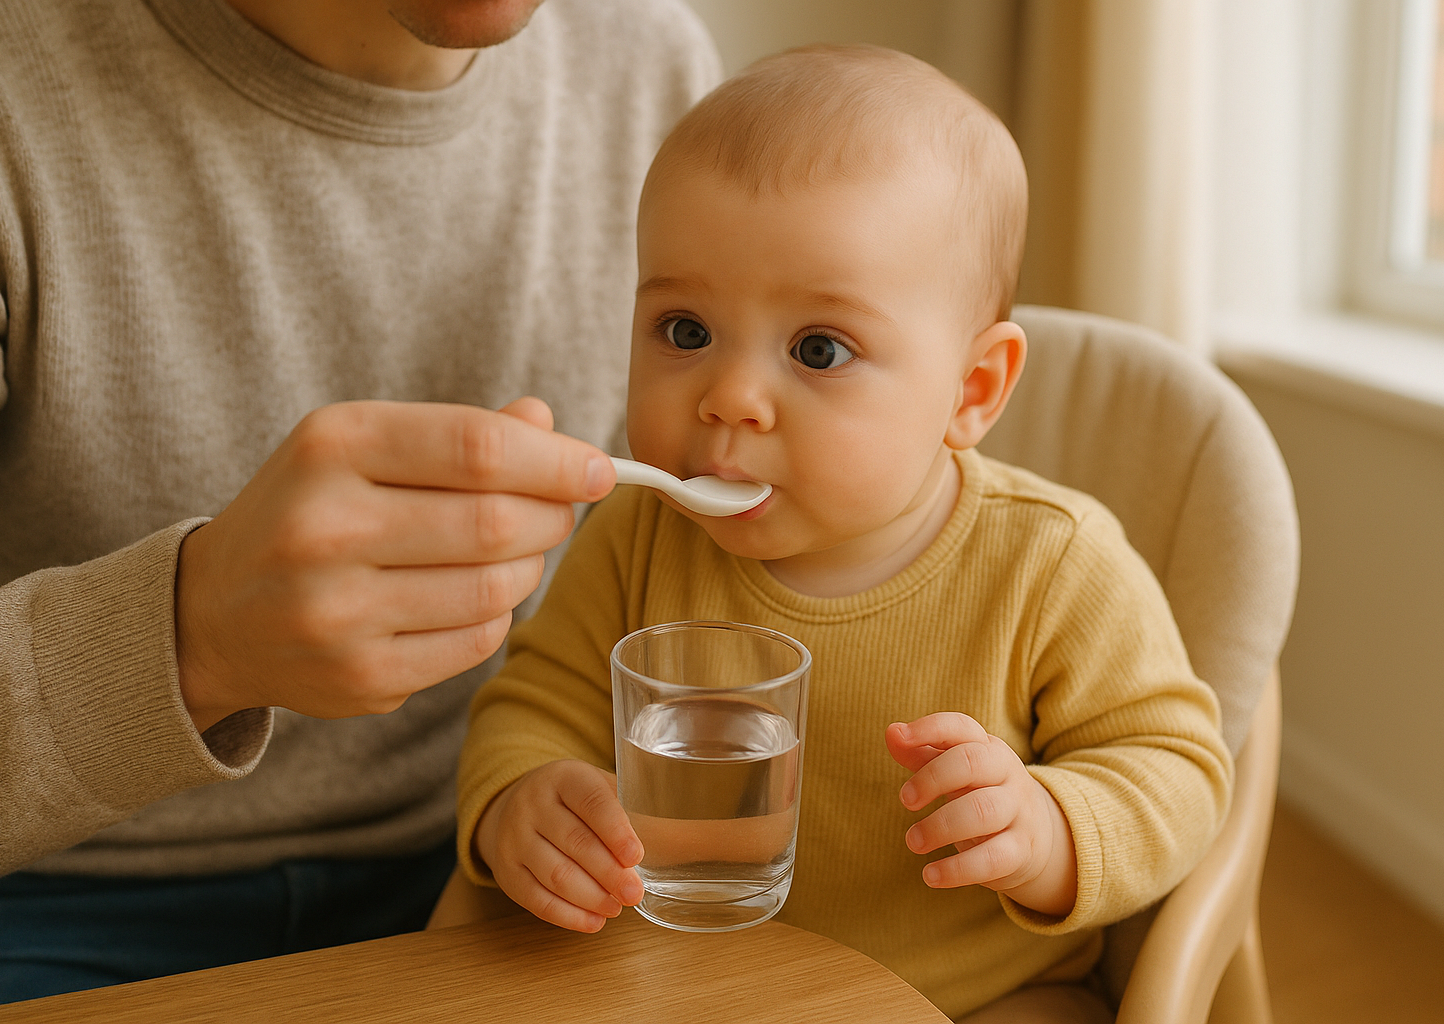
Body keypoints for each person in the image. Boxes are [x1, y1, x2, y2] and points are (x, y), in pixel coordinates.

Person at [456, 44, 1234, 1023]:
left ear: (972, 391)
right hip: (684, 981)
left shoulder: (1053, 565)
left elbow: (1179, 767)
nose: (730, 396)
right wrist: (524, 797)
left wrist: (1048, 827)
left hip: (968, 997)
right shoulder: (638, 534)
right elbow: (533, 700)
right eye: (685, 331)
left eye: (818, 349)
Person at [0, 0, 720, 1003]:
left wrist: (528, 787)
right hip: (43, 902)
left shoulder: (653, 74)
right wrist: (190, 636)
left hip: (485, 867)